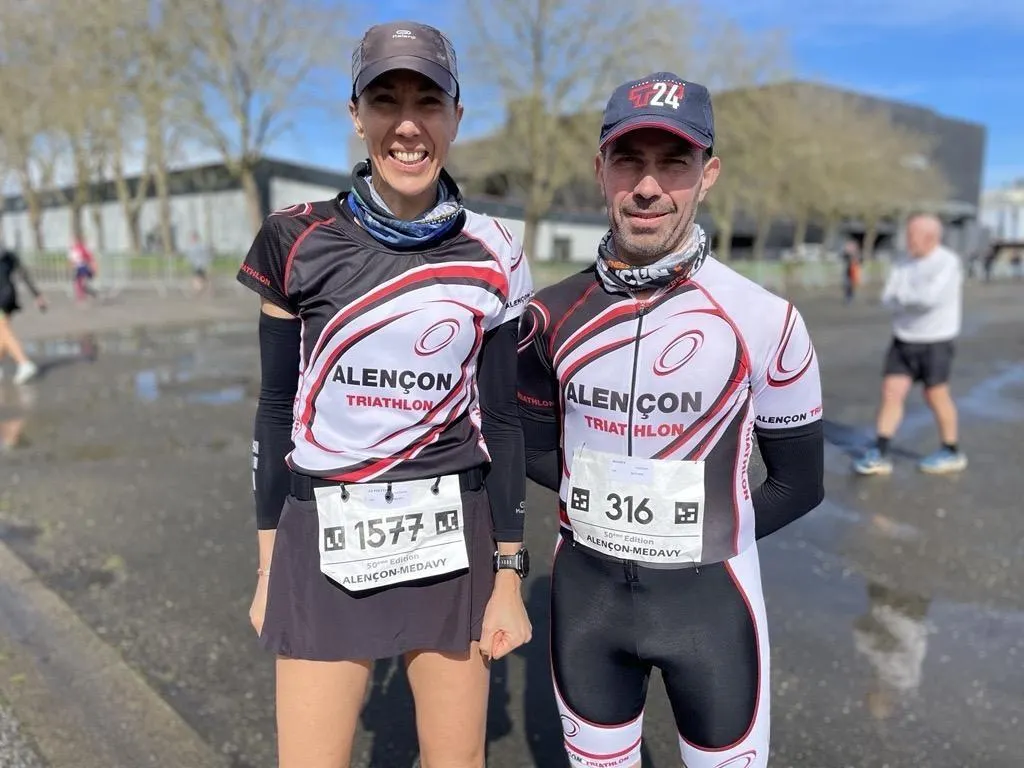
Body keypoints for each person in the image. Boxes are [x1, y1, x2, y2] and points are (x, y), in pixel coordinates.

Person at [236, 21, 534, 768]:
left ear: (456, 117)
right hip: (323, 529)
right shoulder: (293, 237)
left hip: (451, 534)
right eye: (385, 100)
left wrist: (508, 576)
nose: (407, 124)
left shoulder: (497, 250)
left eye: (428, 101)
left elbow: (502, 421)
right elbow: (274, 412)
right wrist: (269, 568)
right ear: (356, 114)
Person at [516, 72, 825, 768]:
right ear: (600, 170)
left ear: (708, 174)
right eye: (629, 160)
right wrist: (604, 513)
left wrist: (698, 532)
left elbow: (799, 484)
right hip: (587, 602)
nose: (648, 186)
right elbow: (530, 450)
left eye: (674, 162)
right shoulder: (548, 316)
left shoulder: (766, 319)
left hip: (711, 605)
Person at [853, 214, 967, 476]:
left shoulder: (947, 263)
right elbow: (887, 298)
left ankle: (951, 450)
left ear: (931, 238)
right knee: (891, 392)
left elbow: (930, 299)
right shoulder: (903, 261)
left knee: (935, 395)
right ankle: (880, 451)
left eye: (912, 236)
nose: (908, 241)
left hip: (936, 340)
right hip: (903, 338)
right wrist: (907, 299)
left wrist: (903, 298)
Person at [0, 246, 46, 384]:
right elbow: (23, 274)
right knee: (2, 333)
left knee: (3, 329)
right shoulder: (8, 254)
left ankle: (24, 363)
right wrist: (36, 295)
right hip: (10, 294)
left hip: (1, 296)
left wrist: (37, 295)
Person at [67, 235, 98, 303]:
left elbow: (88, 257)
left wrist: (92, 265)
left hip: (82, 267)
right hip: (78, 268)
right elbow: (72, 260)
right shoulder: (74, 249)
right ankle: (83, 294)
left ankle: (85, 293)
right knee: (78, 282)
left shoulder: (80, 248)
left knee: (81, 282)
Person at [184, 231, 212, 296]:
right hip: (197, 265)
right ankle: (203, 290)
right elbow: (189, 256)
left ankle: (200, 290)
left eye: (192, 238)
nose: (191, 239)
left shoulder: (198, 246)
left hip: (199, 265)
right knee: (201, 279)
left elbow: (205, 255)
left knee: (198, 279)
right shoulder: (194, 246)